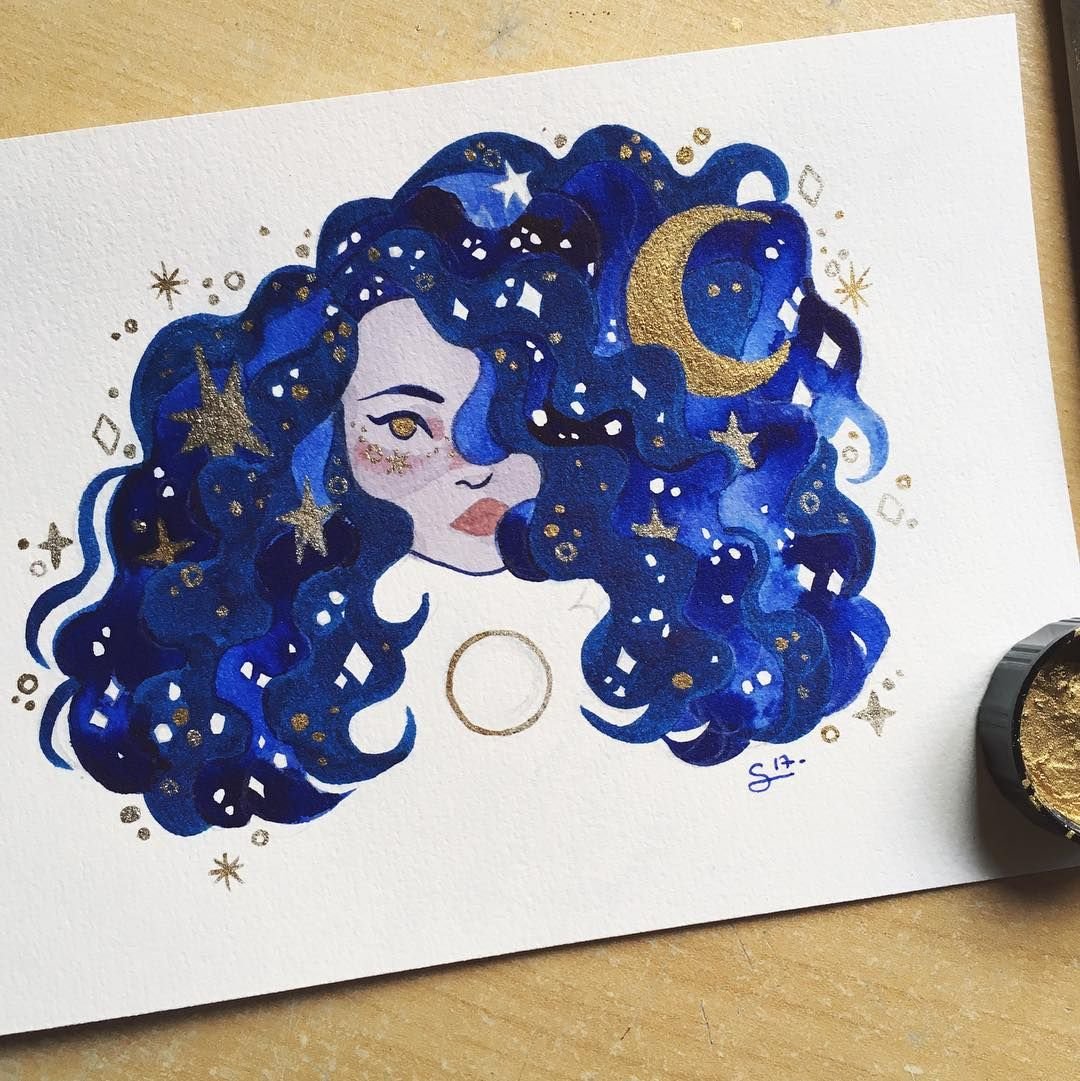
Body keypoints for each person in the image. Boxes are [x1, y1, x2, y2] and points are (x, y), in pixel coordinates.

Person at [26, 126, 889, 835]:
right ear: (323, 438)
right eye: (405, 427)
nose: (476, 466)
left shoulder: (668, 624)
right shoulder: (289, 651)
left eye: (533, 420)